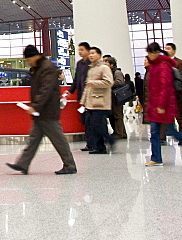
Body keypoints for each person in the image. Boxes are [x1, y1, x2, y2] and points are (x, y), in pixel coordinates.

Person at [7, 45, 76, 175]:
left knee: (58, 139)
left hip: (48, 111)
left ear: (35, 56)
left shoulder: (47, 68)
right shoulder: (38, 68)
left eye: (29, 59)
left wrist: (35, 105)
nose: (28, 62)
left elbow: (46, 89)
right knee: (33, 139)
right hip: (41, 112)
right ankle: (23, 164)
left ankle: (70, 165)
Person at [143, 42, 182, 166]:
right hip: (155, 105)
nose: (149, 56)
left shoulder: (164, 66)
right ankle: (156, 158)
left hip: (165, 105)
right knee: (154, 133)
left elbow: (165, 87)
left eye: (150, 53)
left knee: (172, 131)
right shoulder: (153, 66)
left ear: (157, 52)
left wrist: (162, 105)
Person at [80, 46, 114, 154]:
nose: (90, 55)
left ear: (99, 55)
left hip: (100, 101)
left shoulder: (104, 68)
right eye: (89, 53)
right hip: (91, 102)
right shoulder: (91, 69)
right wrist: (83, 101)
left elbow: (109, 82)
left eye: (93, 53)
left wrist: (94, 83)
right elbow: (87, 87)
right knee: (92, 125)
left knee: (98, 124)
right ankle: (100, 147)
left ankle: (110, 139)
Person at [68, 42, 91, 151]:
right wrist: (70, 91)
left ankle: (98, 142)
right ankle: (90, 144)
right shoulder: (79, 64)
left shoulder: (92, 63)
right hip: (82, 97)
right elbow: (76, 79)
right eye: (79, 50)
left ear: (87, 50)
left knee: (92, 121)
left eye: (82, 50)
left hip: (91, 97)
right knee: (85, 121)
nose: (80, 52)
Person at [164, 43, 182, 134]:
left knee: (179, 116)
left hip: (175, 94)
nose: (166, 50)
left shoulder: (180, 62)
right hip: (165, 95)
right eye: (165, 48)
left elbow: (180, 78)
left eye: (168, 48)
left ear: (174, 51)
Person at [105, 55, 127, 140]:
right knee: (114, 115)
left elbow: (120, 82)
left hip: (117, 97)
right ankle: (122, 133)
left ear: (112, 64)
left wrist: (109, 83)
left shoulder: (117, 72)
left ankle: (119, 133)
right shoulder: (110, 72)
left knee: (118, 115)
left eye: (107, 63)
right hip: (112, 97)